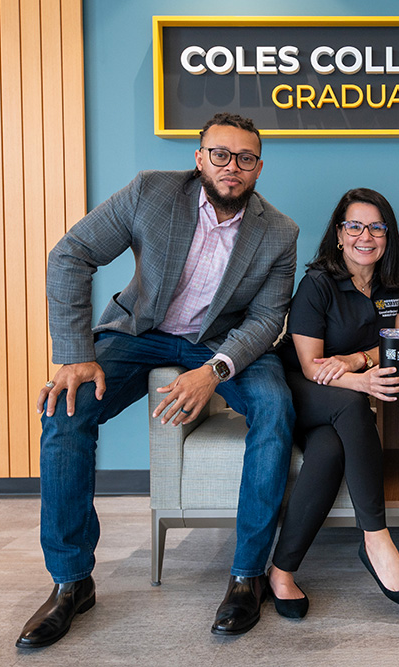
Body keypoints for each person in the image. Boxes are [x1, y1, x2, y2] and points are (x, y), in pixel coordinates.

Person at [16, 113, 299, 647]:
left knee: (275, 407)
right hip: (141, 331)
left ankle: (247, 577)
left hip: (225, 339)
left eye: (244, 158)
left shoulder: (279, 231)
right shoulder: (151, 191)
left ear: (259, 168)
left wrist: (213, 371)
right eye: (220, 154)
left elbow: (266, 320)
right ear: (199, 158)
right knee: (66, 409)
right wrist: (76, 354)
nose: (231, 167)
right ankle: (71, 582)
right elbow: (70, 255)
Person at [266, 188, 399, 619]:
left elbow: (398, 343)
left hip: (338, 391)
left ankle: (280, 573)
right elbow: (312, 366)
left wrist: (356, 361)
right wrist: (363, 381)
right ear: (339, 234)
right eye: (354, 226)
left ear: (387, 235)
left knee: (330, 451)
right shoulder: (317, 283)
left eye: (376, 227)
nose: (365, 236)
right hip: (298, 390)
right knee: (352, 407)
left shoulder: (392, 286)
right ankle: (376, 539)